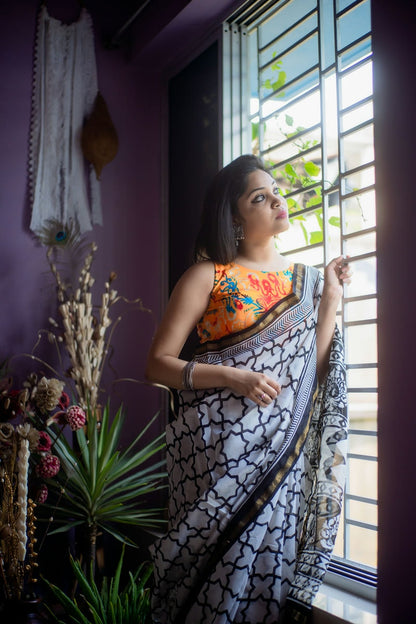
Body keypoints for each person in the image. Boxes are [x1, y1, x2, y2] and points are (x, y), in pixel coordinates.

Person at [146, 154, 351, 624]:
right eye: (260, 196)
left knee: (262, 587)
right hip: (217, 457)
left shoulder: (308, 283)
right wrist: (233, 376)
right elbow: (156, 365)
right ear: (235, 216)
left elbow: (309, 378)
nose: (277, 199)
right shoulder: (209, 275)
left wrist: (333, 300)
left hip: (279, 458)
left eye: (275, 190)